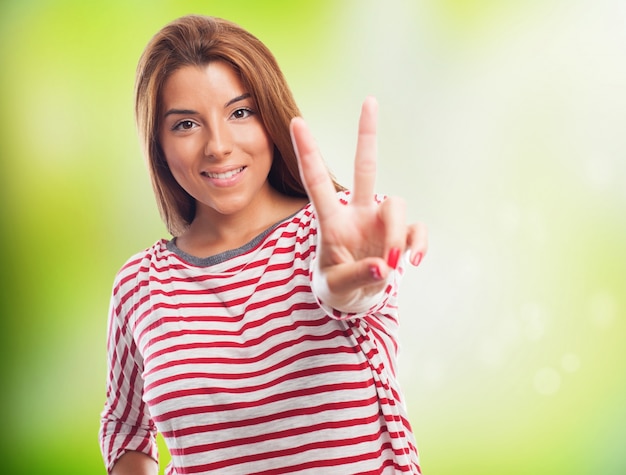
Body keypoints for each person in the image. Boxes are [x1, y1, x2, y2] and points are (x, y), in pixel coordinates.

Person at [99, 14, 428, 475]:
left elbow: (347, 289)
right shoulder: (140, 286)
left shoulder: (337, 230)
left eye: (240, 112)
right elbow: (126, 428)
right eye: (186, 124)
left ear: (270, 115)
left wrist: (353, 280)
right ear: (159, 144)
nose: (218, 146)